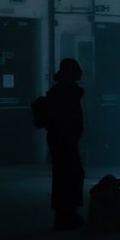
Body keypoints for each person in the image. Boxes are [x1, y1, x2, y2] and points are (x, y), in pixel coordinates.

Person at [43, 58, 86, 230]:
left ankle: (65, 214)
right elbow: (70, 118)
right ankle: (67, 214)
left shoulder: (58, 90)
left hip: (60, 139)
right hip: (64, 140)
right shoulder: (67, 92)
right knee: (71, 176)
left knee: (64, 176)